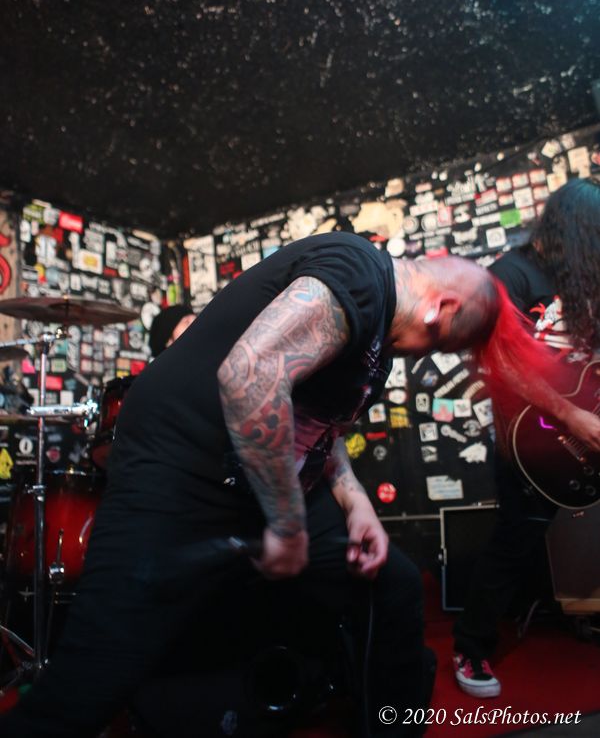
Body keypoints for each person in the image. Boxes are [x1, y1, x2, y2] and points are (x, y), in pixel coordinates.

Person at [2, 231, 599, 738]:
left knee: (391, 587)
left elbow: (314, 426)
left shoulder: (376, 335)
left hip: (256, 479)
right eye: (436, 346)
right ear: (438, 310)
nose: (421, 358)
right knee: (94, 677)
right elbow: (252, 376)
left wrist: (356, 504)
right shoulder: (357, 277)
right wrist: (288, 525)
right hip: (178, 471)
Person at [452, 176, 600, 698]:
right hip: (533, 437)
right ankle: (470, 646)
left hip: (583, 430)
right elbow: (497, 362)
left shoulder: (580, 279)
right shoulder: (510, 275)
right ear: (575, 229)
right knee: (516, 538)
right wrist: (572, 417)